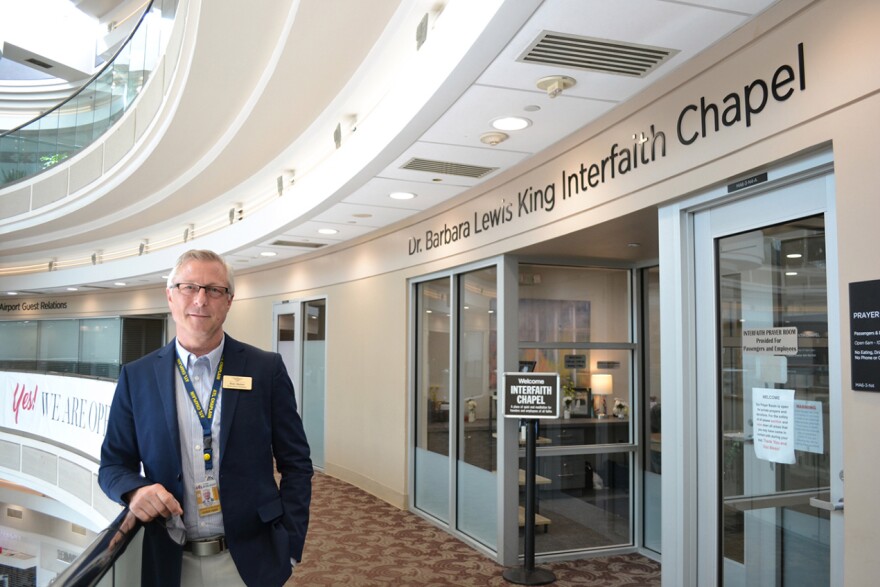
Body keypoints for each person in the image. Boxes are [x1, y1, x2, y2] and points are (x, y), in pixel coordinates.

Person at [99, 249, 312, 587]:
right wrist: (135, 492)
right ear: (170, 296)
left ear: (229, 301)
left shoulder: (265, 369)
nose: (201, 299)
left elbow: (297, 462)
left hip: (250, 561)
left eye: (214, 290)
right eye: (189, 287)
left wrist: (290, 544)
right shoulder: (136, 377)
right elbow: (112, 466)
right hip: (170, 561)